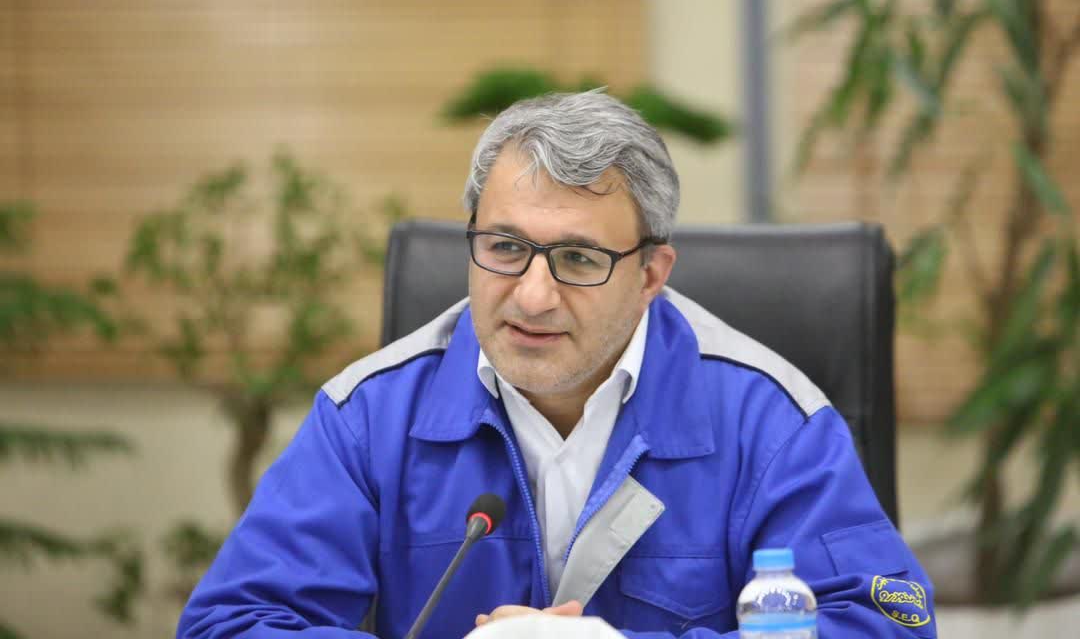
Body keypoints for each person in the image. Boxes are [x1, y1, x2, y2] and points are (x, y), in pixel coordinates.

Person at [178, 90, 936, 638]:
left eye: (578, 258)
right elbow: (233, 622)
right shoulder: (371, 416)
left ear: (651, 274)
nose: (533, 296)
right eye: (505, 247)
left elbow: (885, 625)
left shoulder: (769, 421)